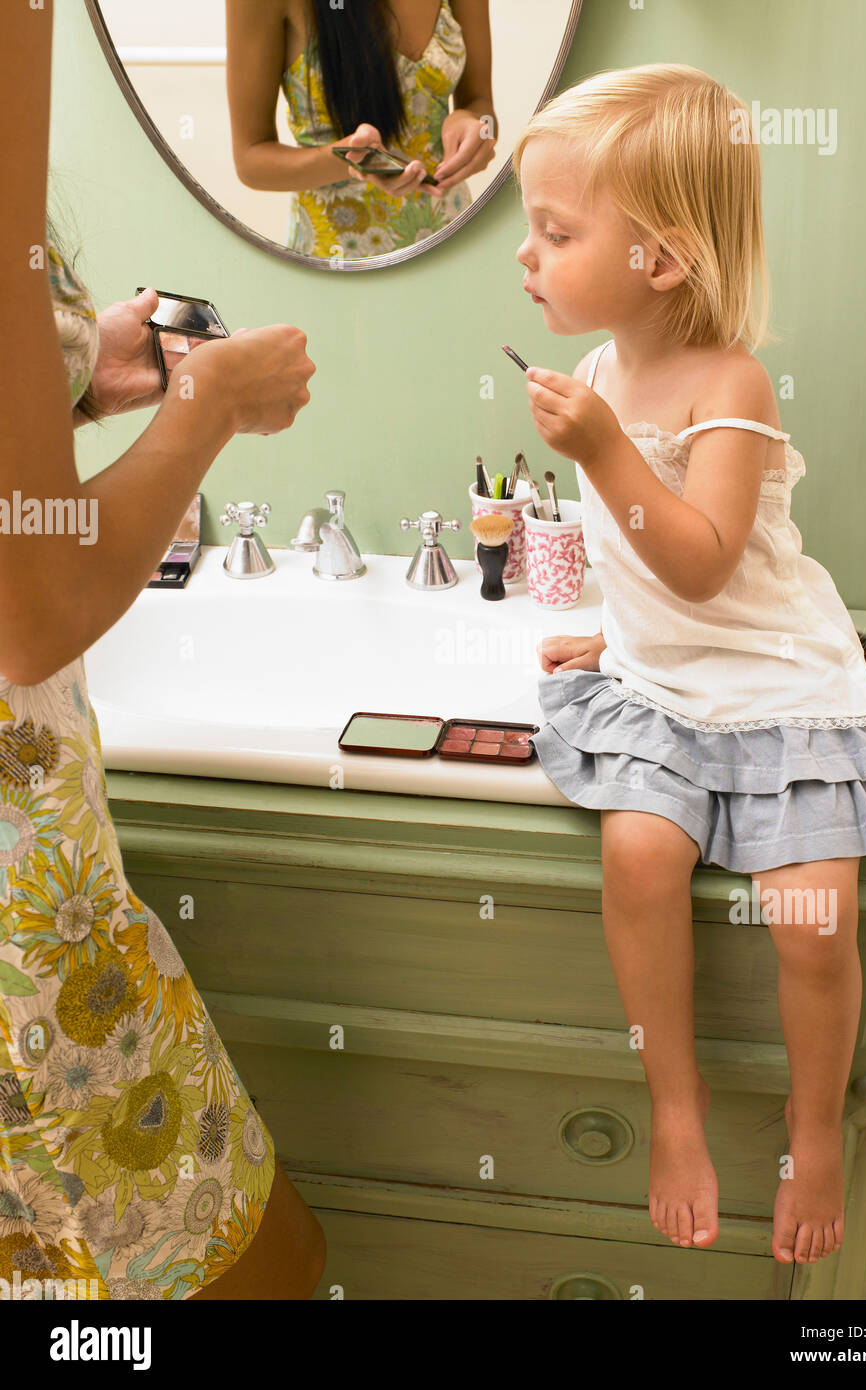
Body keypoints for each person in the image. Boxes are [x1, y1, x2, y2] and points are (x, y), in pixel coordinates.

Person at [513, 65, 866, 1268]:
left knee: (813, 922)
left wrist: (605, 453)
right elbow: (641, 565)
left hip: (774, 678)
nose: (527, 255)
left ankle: (816, 1132)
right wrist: (616, 634)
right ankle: (674, 1107)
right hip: (671, 678)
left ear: (658, 258)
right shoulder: (604, 372)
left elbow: (707, 564)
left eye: (555, 232)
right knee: (639, 853)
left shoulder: (729, 385)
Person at [1, 0, 325, 1299]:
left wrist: (70, 371)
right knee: (269, 1267)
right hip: (27, 940)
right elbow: (32, 606)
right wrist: (207, 405)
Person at [227, 0, 497, 259]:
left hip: (450, 244)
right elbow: (251, 158)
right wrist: (354, 159)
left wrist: (476, 125)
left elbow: (480, 101)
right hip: (335, 261)